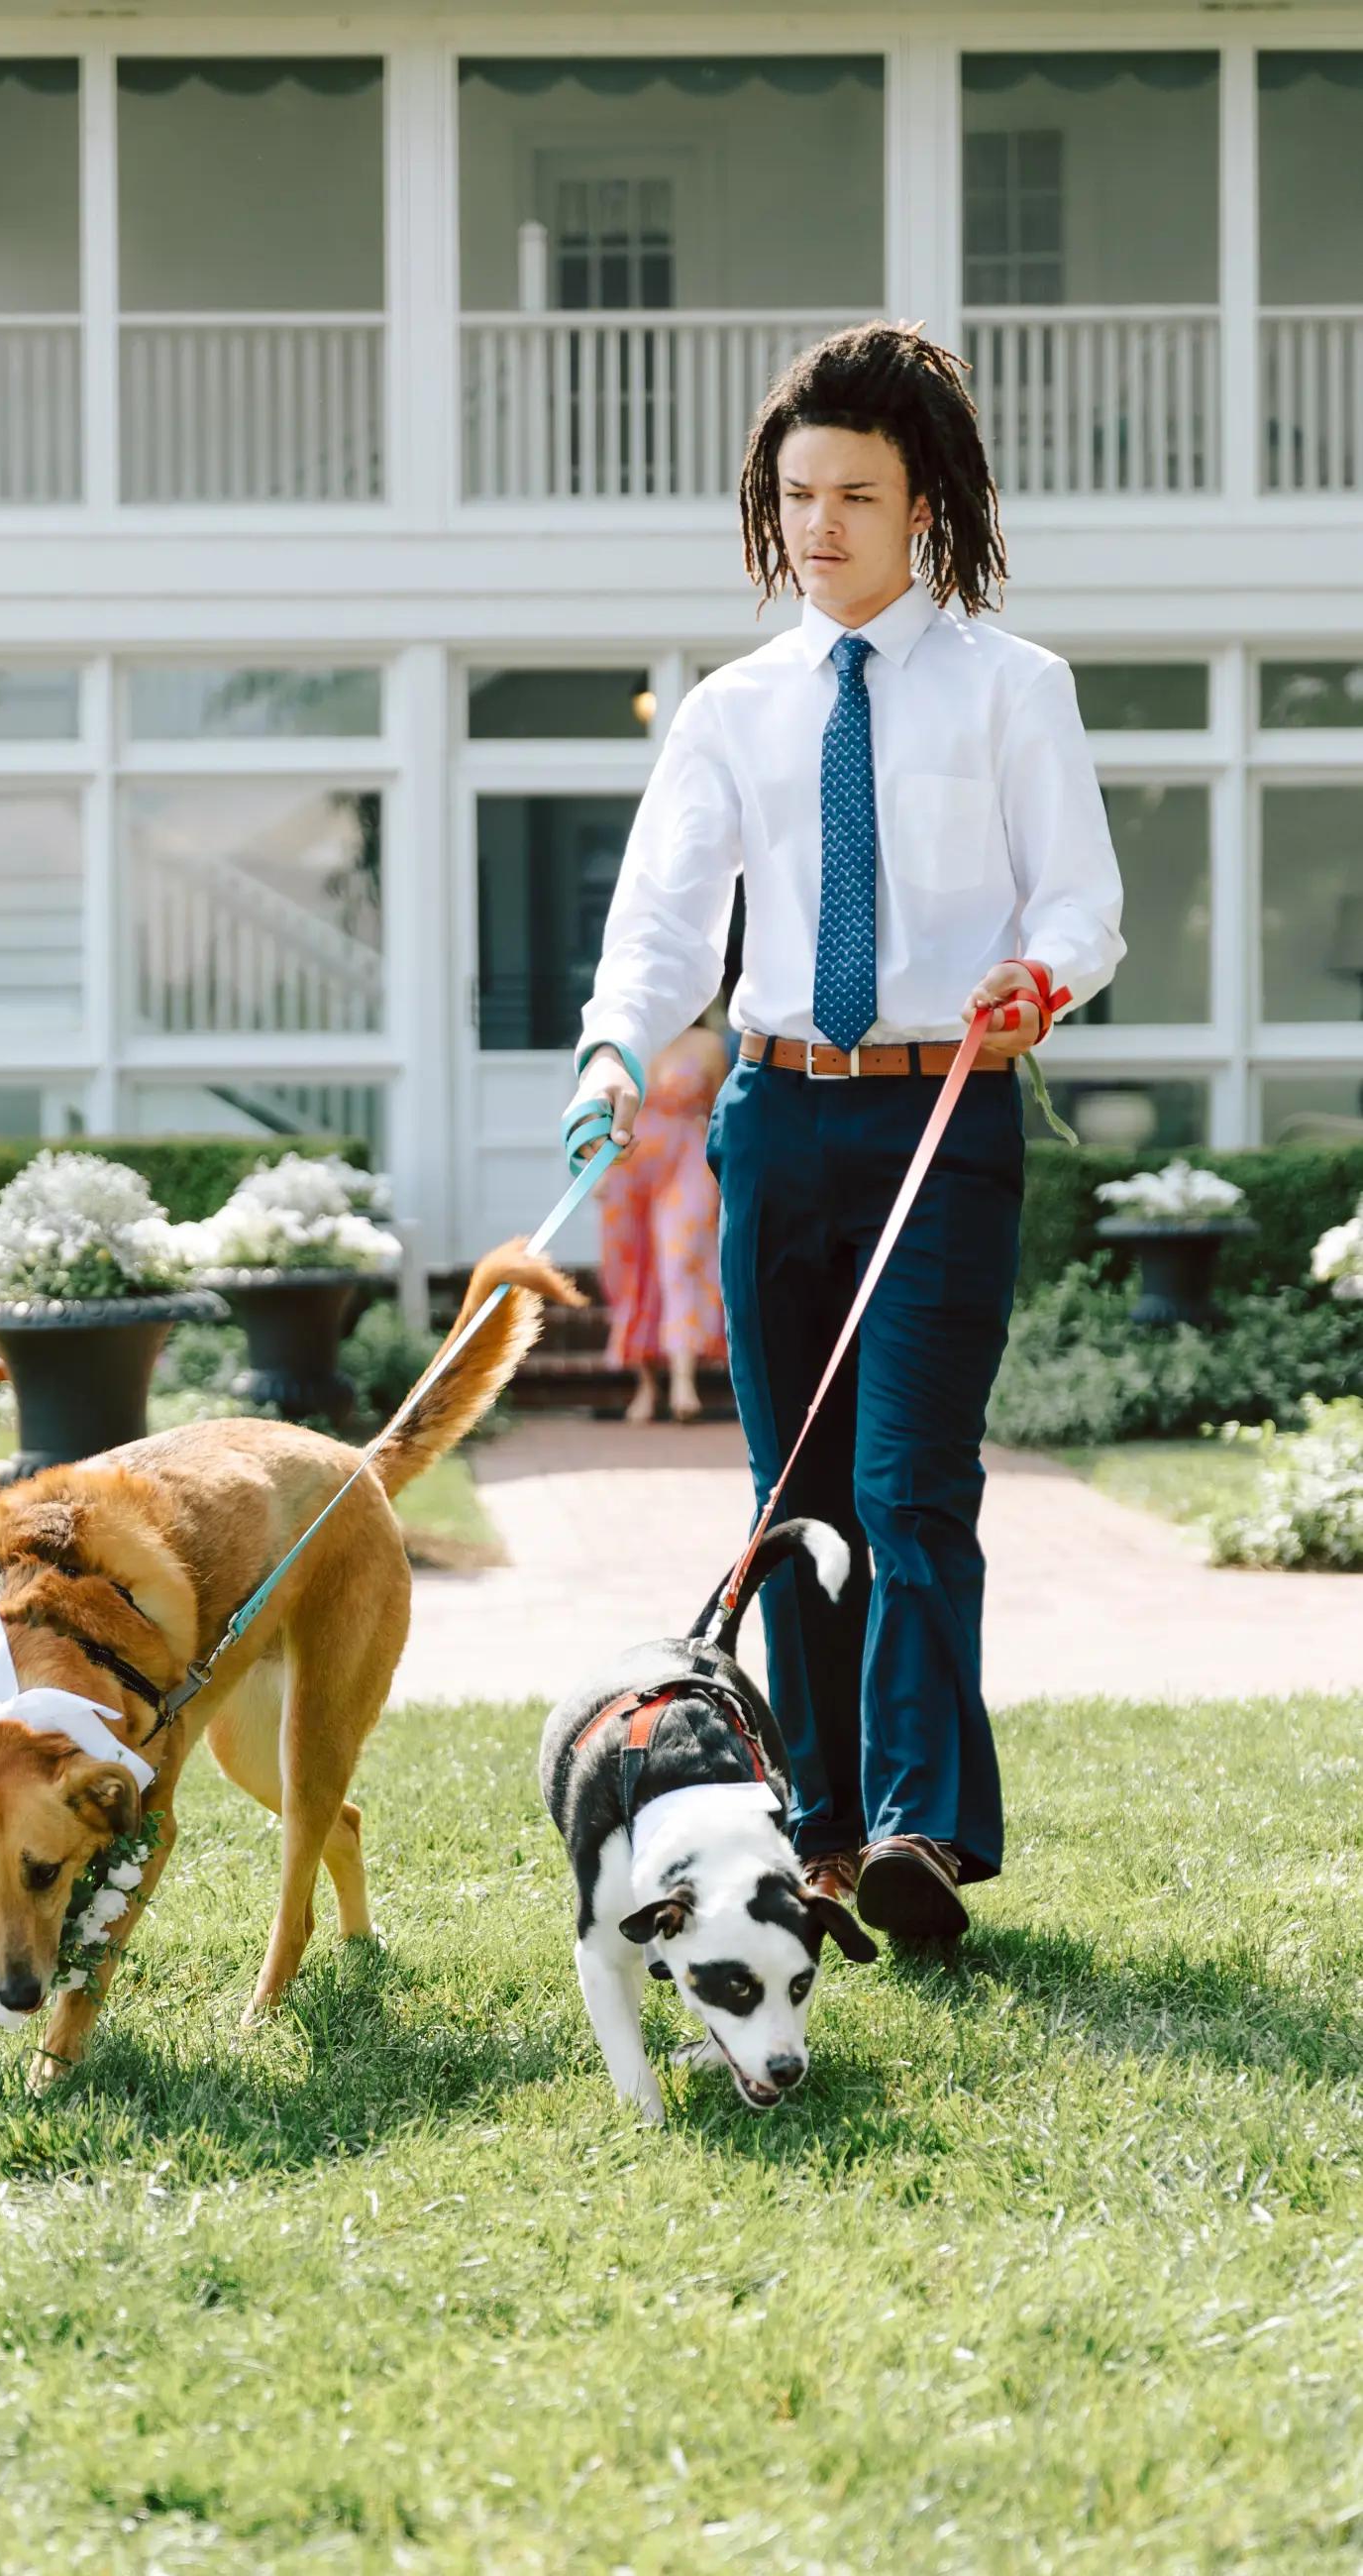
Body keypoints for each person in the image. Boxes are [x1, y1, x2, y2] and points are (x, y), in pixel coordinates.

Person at [564, 321, 1124, 1944]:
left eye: (852, 496)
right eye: (795, 494)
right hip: (774, 1123)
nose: (817, 525)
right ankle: (810, 1830)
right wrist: (612, 1052)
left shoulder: (1015, 690)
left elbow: (1078, 899)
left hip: (945, 1118)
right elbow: (662, 922)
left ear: (919, 508)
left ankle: (916, 1831)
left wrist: (1042, 976)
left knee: (905, 1484)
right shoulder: (732, 710)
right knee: (791, 1494)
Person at [598, 1014, 729, 1425]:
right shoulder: (624, 1040)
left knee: (681, 1258)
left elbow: (724, 1109)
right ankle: (647, 1385)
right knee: (635, 1270)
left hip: (687, 1157)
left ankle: (683, 1381)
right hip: (630, 1164)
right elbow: (602, 1110)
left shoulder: (708, 1044)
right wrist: (600, 1169)